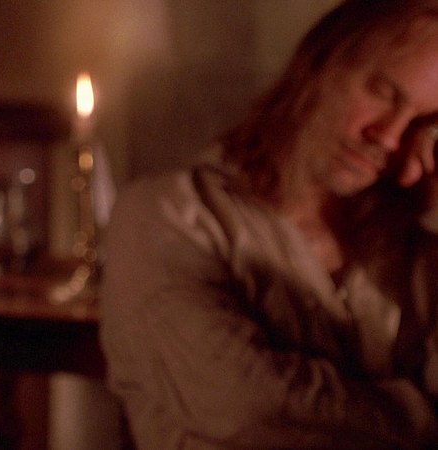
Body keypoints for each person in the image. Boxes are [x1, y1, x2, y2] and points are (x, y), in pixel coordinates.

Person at [100, 0, 438, 448]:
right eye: (383, 92)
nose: (391, 138)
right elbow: (239, 404)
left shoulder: (408, 253)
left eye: (423, 124)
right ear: (321, 65)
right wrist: (421, 419)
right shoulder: (171, 215)